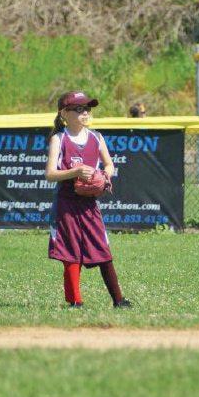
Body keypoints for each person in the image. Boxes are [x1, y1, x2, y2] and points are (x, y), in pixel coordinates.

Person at [45, 91, 131, 308]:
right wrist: (75, 172)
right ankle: (76, 301)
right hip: (67, 203)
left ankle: (118, 300)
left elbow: (109, 164)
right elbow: (50, 174)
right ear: (64, 113)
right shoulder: (59, 138)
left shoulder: (96, 137)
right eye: (78, 109)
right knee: (70, 252)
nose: (85, 113)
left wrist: (105, 174)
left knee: (102, 248)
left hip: (89, 203)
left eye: (87, 109)